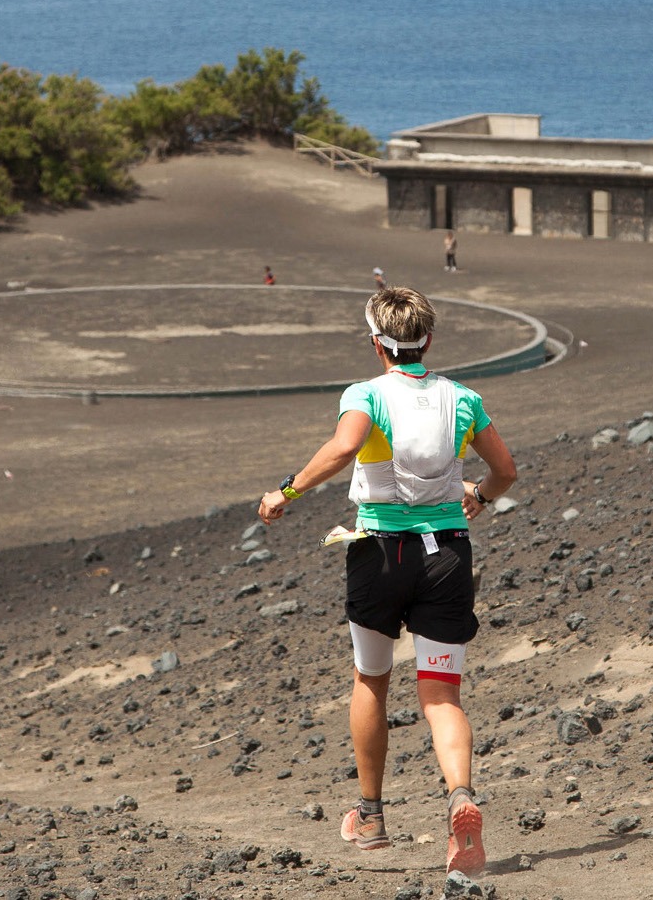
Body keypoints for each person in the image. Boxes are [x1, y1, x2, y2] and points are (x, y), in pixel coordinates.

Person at [258, 286, 518, 876]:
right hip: (448, 555)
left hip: (379, 555)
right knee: (442, 695)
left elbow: (344, 447)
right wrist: (476, 495)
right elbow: (504, 470)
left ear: (377, 343)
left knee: (372, 678)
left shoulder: (366, 395)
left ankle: (371, 815)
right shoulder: (463, 399)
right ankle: (460, 799)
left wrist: (287, 491)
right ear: (429, 340)